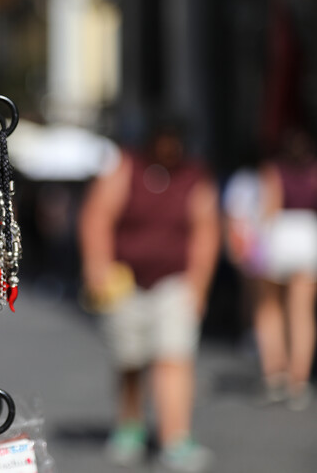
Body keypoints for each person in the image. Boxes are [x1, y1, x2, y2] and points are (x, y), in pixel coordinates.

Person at [79, 121, 220, 472]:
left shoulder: (195, 177)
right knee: (129, 360)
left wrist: (198, 287)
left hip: (174, 282)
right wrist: (98, 269)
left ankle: (176, 438)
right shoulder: (126, 168)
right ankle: (130, 426)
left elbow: (206, 231)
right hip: (125, 281)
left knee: (173, 358)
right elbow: (97, 218)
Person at [255, 129, 317, 410]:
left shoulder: (274, 171)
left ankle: (275, 373)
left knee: (270, 307)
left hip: (279, 238)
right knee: (302, 313)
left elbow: (269, 206)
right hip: (308, 240)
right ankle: (298, 380)